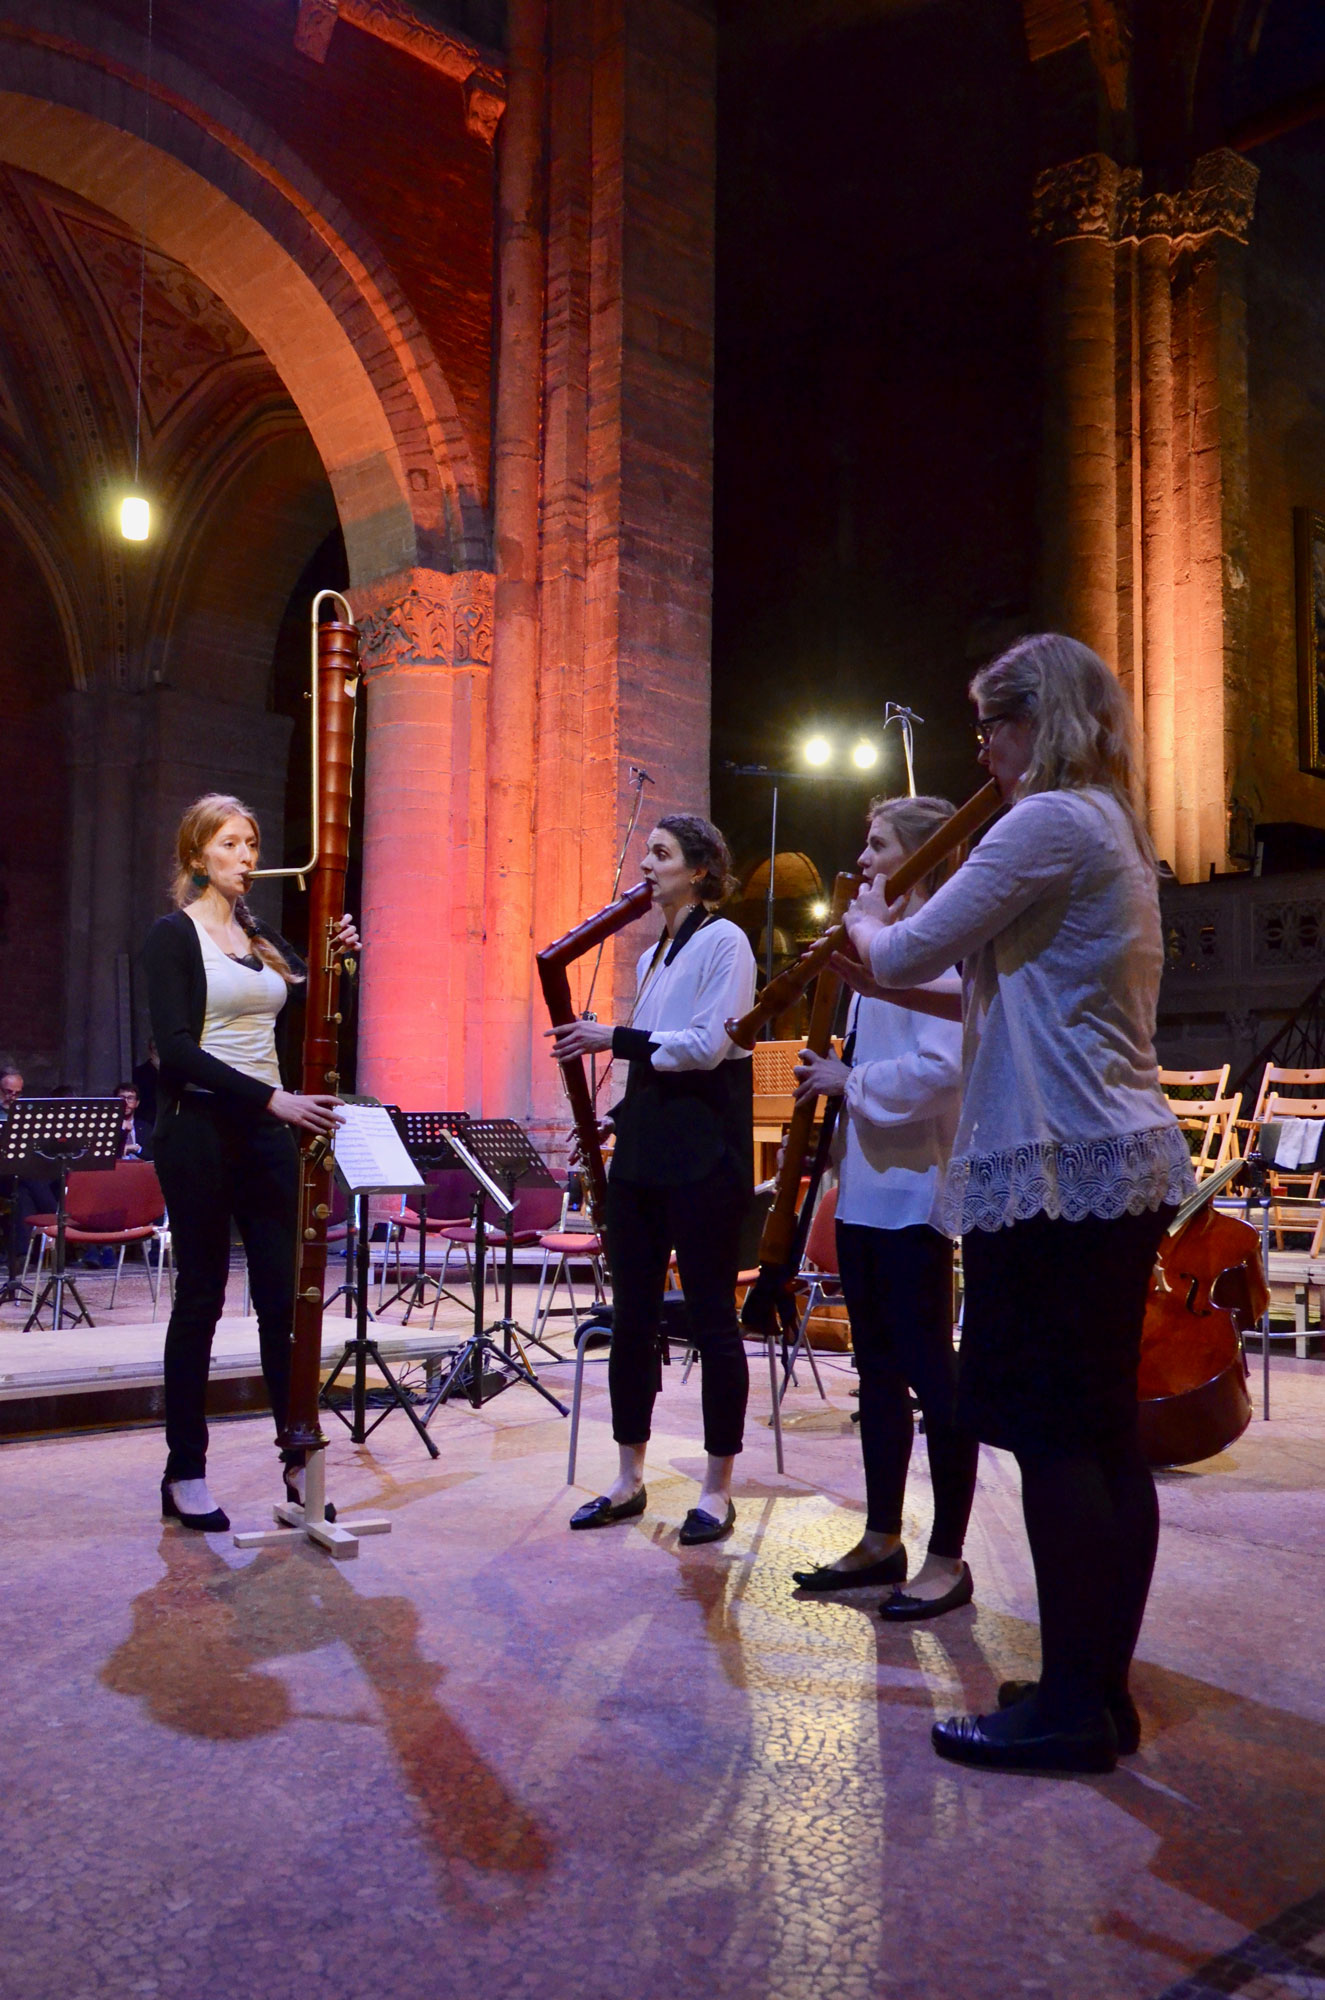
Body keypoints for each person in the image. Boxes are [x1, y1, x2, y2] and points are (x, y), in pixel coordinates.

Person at [843, 633, 1193, 1775]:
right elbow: (997, 994)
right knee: (1100, 1438)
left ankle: (1068, 1712)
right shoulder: (1108, 828)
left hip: (1054, 1168)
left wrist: (856, 921)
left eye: (992, 724)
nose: (981, 748)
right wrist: (888, 968)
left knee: (1053, 1439)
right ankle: (1094, 1689)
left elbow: (904, 943)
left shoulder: (1042, 823)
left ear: (1035, 721)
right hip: (1107, 1157)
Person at [140, 793, 358, 1533]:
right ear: (197, 854)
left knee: (280, 1303)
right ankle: (185, 1471)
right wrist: (271, 1099)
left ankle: (296, 1458)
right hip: (198, 1127)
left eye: (252, 843)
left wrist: (342, 964)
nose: (247, 856)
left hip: (267, 1132)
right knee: (200, 1296)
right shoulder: (173, 936)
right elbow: (176, 1050)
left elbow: (315, 1010)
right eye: (230, 844)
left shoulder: (263, 938)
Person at [789, 795, 978, 1619]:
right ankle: (880, 1536)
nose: (862, 860)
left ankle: (945, 1557)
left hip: (916, 1196)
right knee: (875, 1377)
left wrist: (849, 1082)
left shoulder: (937, 956)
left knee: (936, 1383)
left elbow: (943, 1067)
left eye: (877, 847)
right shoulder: (884, 958)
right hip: (868, 1188)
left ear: (918, 858)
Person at [549, 814, 757, 1544]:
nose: (646, 865)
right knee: (630, 1322)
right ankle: (628, 1479)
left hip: (704, 1160)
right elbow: (655, 1064)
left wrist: (613, 1038)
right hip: (644, 1155)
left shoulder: (725, 941)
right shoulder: (651, 958)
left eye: (661, 855)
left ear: (699, 869)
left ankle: (716, 1490)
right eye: (646, 853)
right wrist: (614, 1117)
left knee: (710, 1320)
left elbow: (706, 1048)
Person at [115, 1082, 153, 1161]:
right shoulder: (107, 1126)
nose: (125, 1103)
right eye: (122, 1098)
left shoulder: (146, 1127)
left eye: (130, 1098)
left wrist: (137, 1148)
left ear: (137, 1103)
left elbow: (154, 1155)